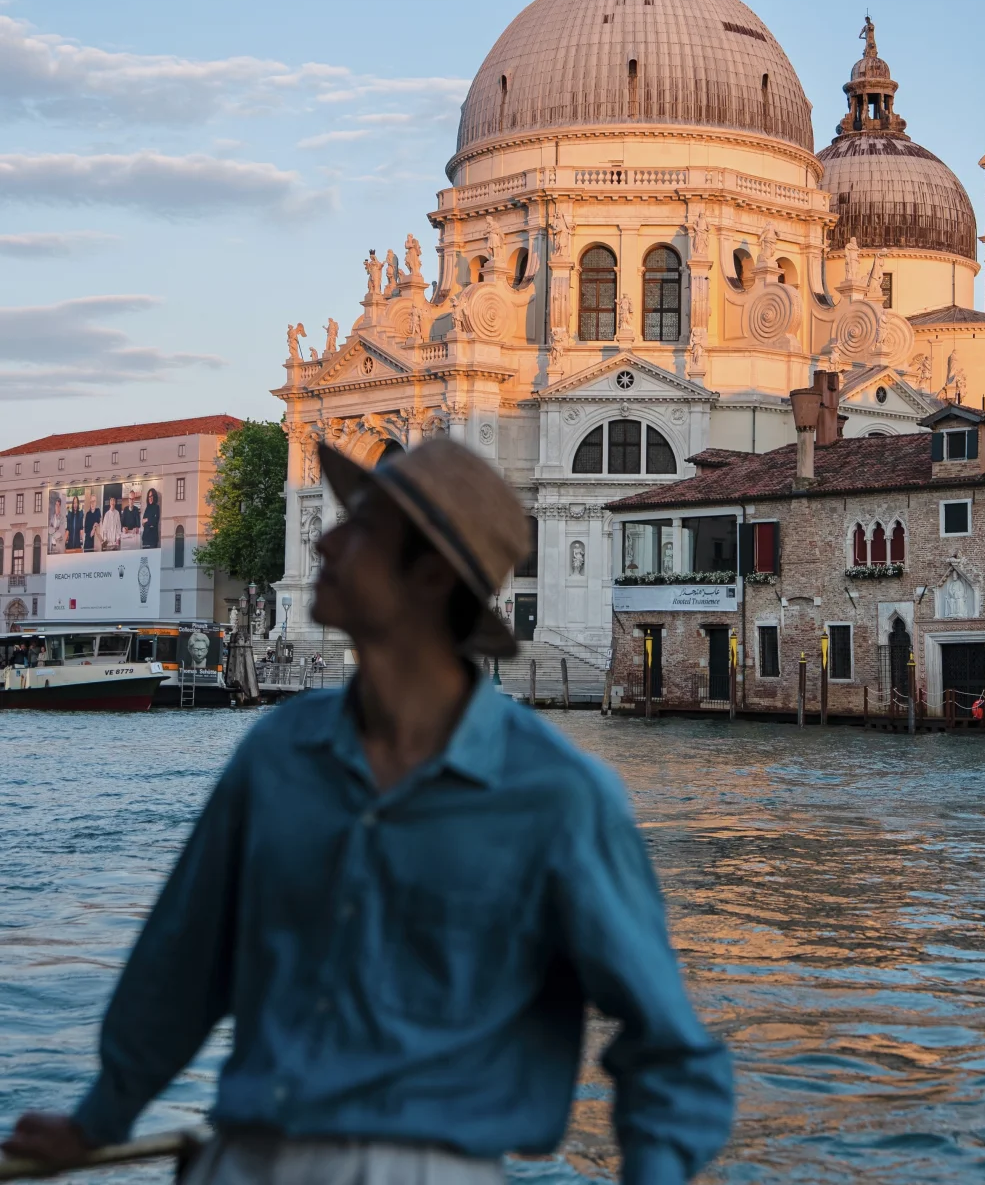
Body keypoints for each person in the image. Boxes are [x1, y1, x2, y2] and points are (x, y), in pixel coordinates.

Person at [3, 438, 733, 1184]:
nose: (324, 538)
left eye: (360, 526)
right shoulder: (279, 751)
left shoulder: (554, 797)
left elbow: (671, 1053)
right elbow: (181, 965)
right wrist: (98, 1122)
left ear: (424, 572)